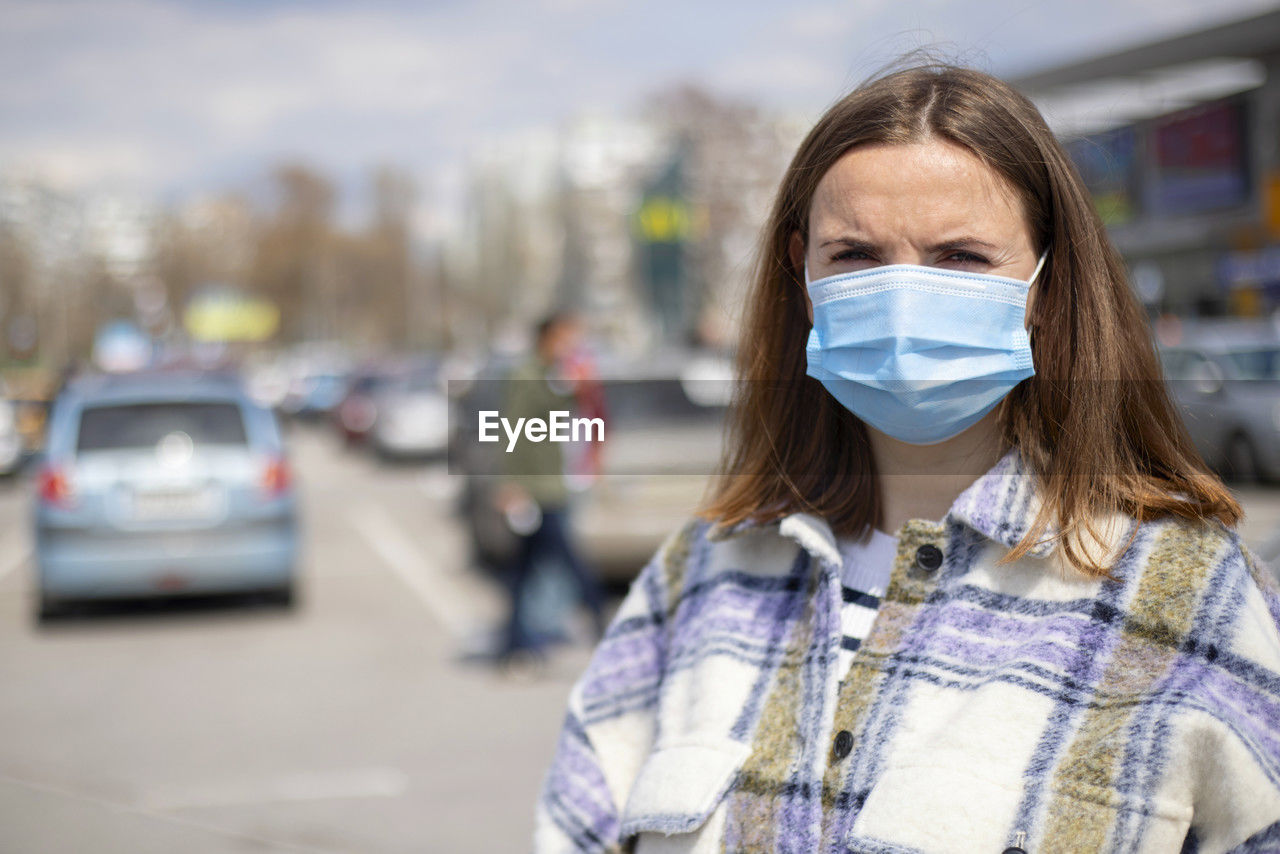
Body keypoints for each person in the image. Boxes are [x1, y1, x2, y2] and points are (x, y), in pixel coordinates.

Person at [532, 63, 1280, 852]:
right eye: (855, 255)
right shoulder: (701, 575)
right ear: (803, 271)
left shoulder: (1188, 596)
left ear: (1046, 284)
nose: (902, 298)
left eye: (960, 256)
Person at [494, 312, 608, 669]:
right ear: (548, 337)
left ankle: (515, 646)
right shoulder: (525, 375)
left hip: (555, 484)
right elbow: (512, 429)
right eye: (565, 337)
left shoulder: (557, 375)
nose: (571, 344)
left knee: (527, 570)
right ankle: (604, 627)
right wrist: (511, 483)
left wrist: (582, 387)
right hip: (535, 489)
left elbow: (580, 417)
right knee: (566, 564)